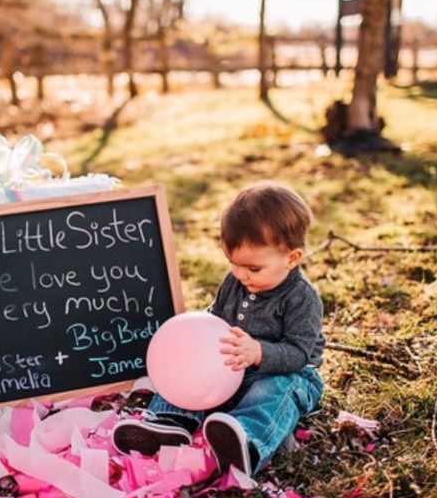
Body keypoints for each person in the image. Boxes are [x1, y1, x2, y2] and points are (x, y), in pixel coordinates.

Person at [113, 182, 325, 476]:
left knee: (274, 392)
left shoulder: (302, 298)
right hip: (231, 371)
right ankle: (169, 422)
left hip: (285, 372)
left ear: (292, 258)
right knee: (191, 367)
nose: (240, 275)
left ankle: (246, 442)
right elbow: (216, 320)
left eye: (253, 269)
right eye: (233, 264)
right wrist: (196, 341)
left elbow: (300, 354)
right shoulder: (235, 281)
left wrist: (259, 352)